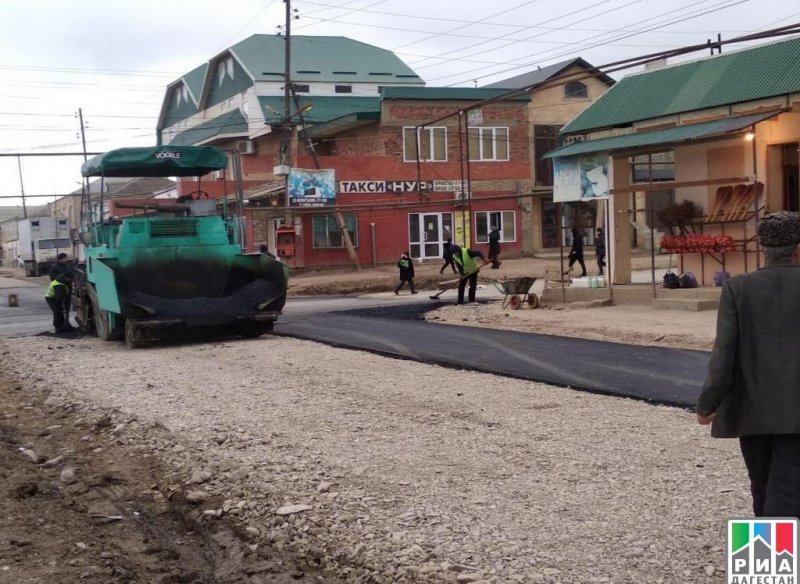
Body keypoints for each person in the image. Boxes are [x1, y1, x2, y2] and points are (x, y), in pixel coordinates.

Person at [697, 211, 800, 518]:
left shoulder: (737, 289)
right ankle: (776, 560)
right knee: (789, 488)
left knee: (763, 484)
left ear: (762, 249)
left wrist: (707, 404)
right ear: (798, 248)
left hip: (752, 410)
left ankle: (766, 560)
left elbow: (724, 354)